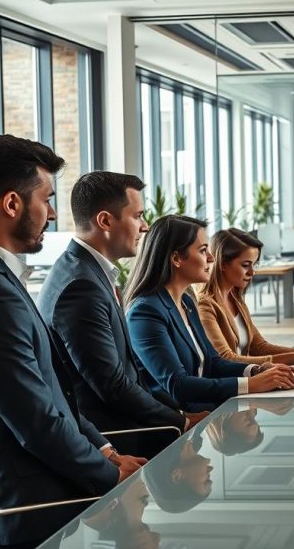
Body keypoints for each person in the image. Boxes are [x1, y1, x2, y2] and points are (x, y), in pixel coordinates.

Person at [0, 135, 143, 549]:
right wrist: (110, 475)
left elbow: (48, 389)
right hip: (24, 501)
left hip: (36, 480)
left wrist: (104, 449)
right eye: (46, 198)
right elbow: (34, 420)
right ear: (12, 204)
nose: (54, 212)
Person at [39, 172, 207, 458]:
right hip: (118, 439)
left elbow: (129, 374)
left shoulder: (90, 272)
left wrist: (178, 412)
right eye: (138, 216)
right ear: (105, 221)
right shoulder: (80, 286)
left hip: (133, 422)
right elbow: (113, 386)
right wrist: (181, 420)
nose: (144, 227)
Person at [125, 215, 294, 412]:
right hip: (181, 423)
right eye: (203, 250)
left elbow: (213, 363)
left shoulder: (186, 303)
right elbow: (178, 385)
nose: (211, 257)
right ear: (176, 259)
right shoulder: (145, 312)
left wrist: (256, 371)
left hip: (207, 411)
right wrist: (252, 384)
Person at [198, 228, 294, 365]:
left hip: (251, 377)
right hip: (233, 387)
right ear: (223, 264)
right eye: (245, 265)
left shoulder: (235, 298)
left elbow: (259, 347)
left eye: (254, 265)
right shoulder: (205, 305)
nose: (252, 272)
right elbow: (227, 359)